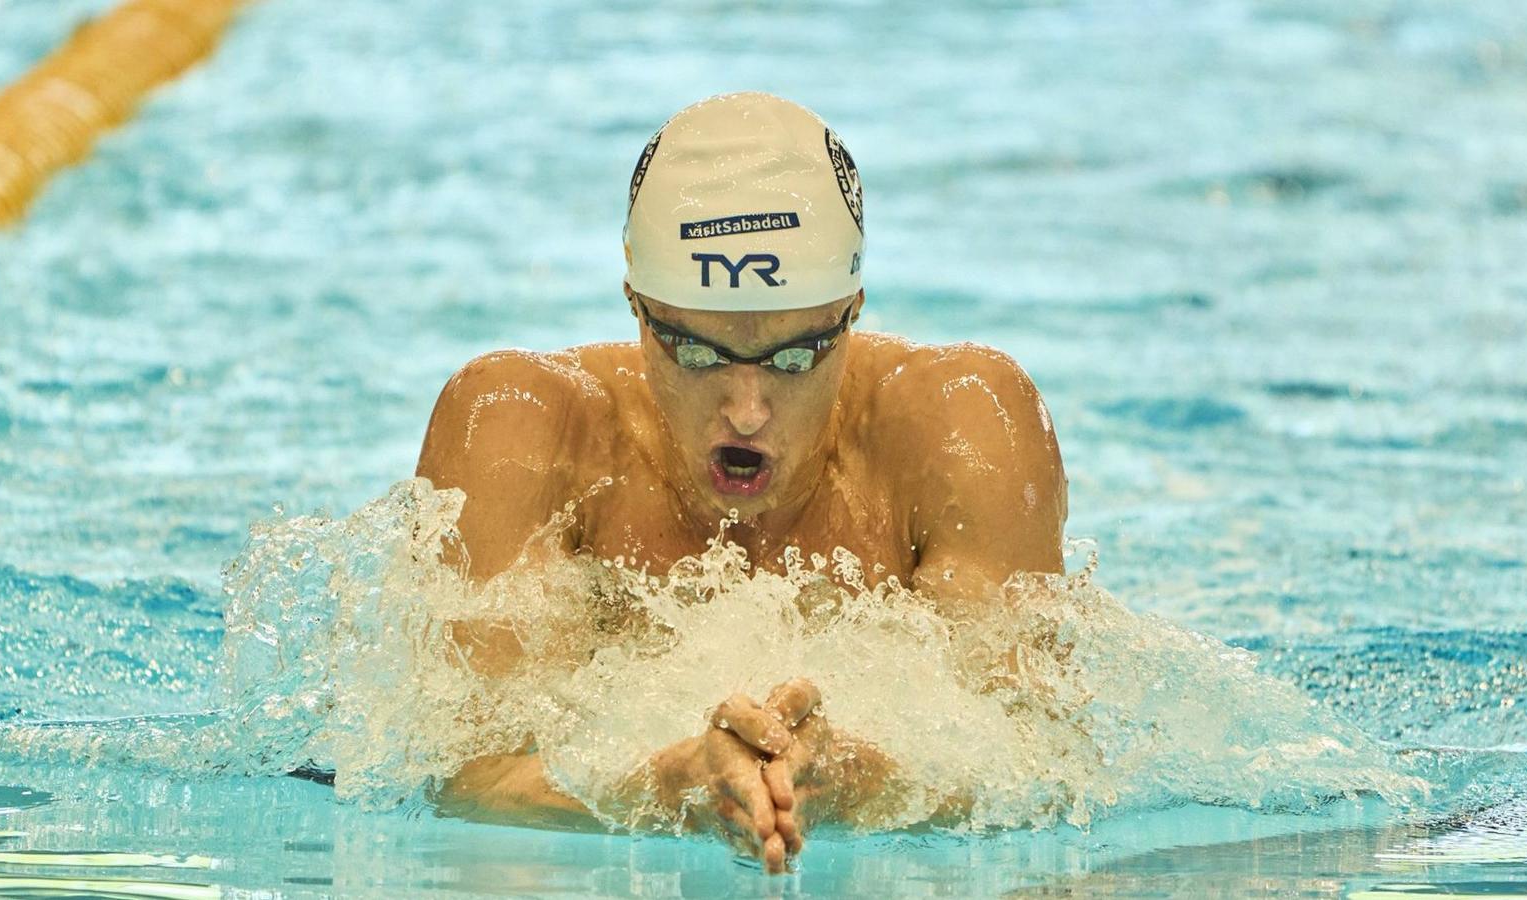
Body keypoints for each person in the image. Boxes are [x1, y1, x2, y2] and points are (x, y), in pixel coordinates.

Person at [416, 91, 1067, 873]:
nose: (748, 411)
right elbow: (464, 782)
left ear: (852, 310)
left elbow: (1049, 770)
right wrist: (665, 788)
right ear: (637, 307)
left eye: (795, 357)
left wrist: (869, 785)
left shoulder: (963, 428)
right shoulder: (523, 432)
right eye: (698, 353)